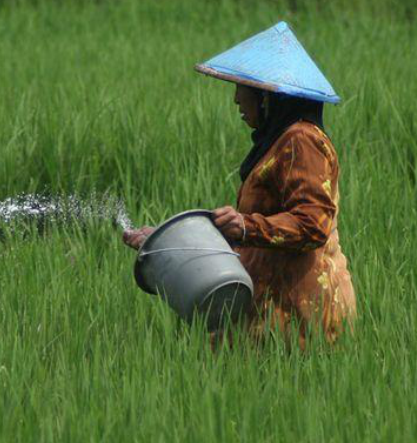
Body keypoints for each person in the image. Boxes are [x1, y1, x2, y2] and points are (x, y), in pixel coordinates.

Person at [123, 22, 356, 348]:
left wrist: (245, 226)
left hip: (303, 318)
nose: (235, 100)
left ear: (267, 97)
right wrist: (167, 241)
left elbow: (312, 225)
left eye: (242, 88)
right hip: (272, 309)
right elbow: (258, 230)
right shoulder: (279, 142)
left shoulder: (302, 141)